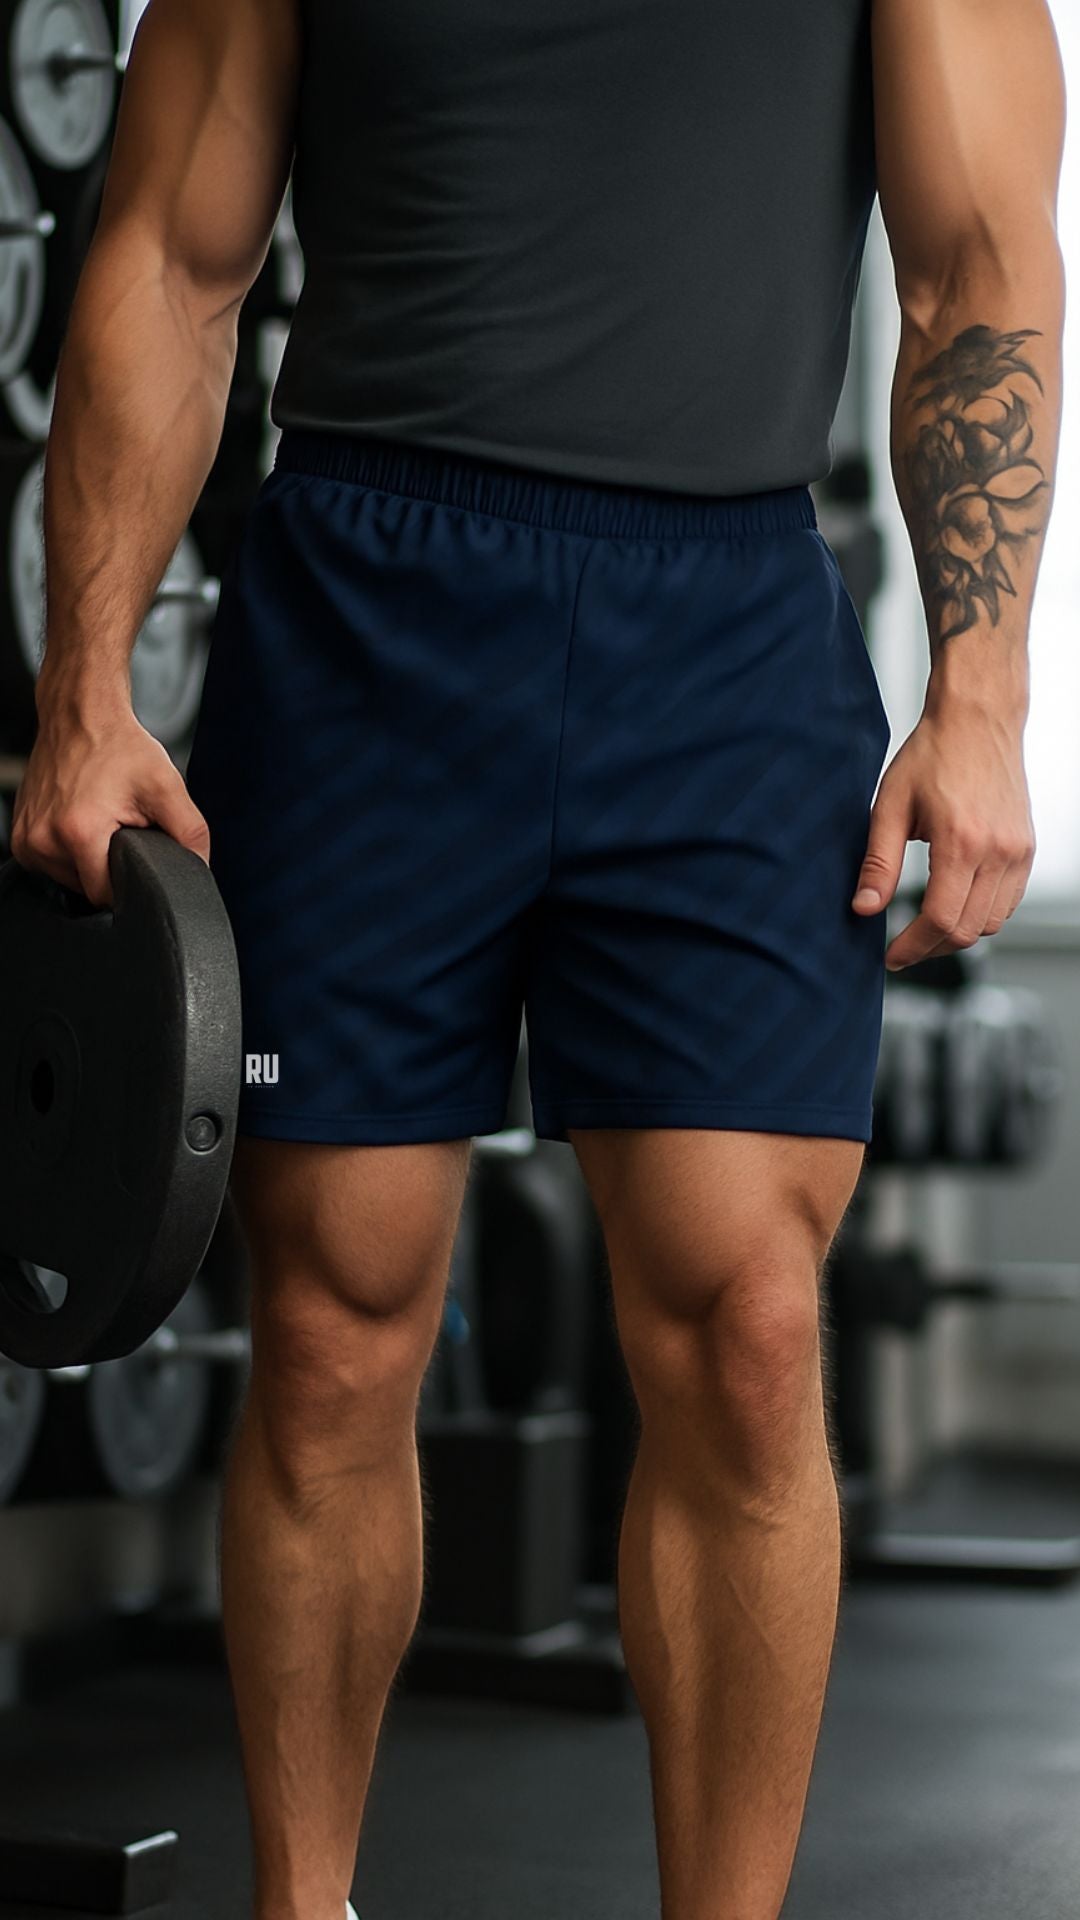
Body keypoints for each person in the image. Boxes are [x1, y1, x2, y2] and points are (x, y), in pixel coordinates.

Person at [11, 1, 1066, 1915]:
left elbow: (978, 261)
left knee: (748, 1334)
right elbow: (172, 251)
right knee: (331, 1334)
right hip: (367, 607)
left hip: (729, 633)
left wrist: (982, 697)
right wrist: (83, 689)